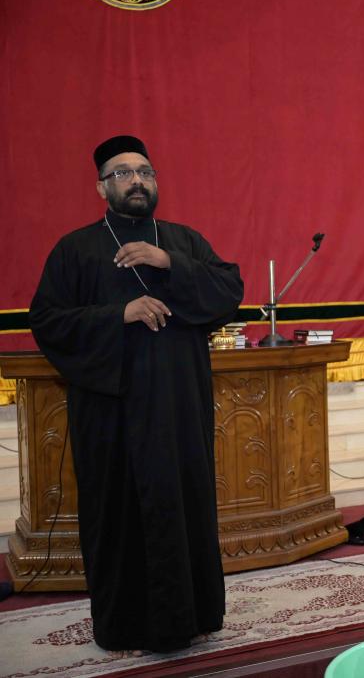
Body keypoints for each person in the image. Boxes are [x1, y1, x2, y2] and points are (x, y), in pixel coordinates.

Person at [28, 135, 244, 652]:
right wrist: (118, 314)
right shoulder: (75, 249)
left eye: (145, 172)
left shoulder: (183, 241)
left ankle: (193, 616)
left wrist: (168, 263)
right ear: (101, 187)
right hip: (112, 415)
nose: (137, 181)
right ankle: (124, 626)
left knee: (184, 507)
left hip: (179, 408)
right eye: (123, 173)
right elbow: (48, 322)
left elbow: (229, 292)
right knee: (120, 512)